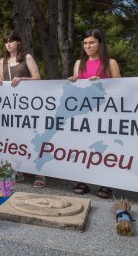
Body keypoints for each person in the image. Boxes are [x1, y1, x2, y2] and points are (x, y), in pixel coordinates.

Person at [68, 28, 120, 199]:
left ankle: (106, 183)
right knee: (83, 147)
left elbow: (121, 89)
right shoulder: (78, 63)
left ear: (100, 43)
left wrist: (103, 83)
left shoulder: (110, 63)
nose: (88, 46)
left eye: (91, 42)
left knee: (104, 148)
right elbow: (76, 90)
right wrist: (73, 82)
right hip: (84, 114)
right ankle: (82, 180)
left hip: (105, 113)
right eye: (85, 43)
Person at [0, 30, 43, 187]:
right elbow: (2, 83)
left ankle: (40, 173)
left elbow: (38, 78)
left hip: (28, 105)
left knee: (33, 138)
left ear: (18, 42)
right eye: (6, 41)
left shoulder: (27, 58)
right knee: (13, 139)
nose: (8, 44)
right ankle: (17, 171)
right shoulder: (2, 61)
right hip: (11, 107)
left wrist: (22, 78)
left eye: (11, 41)